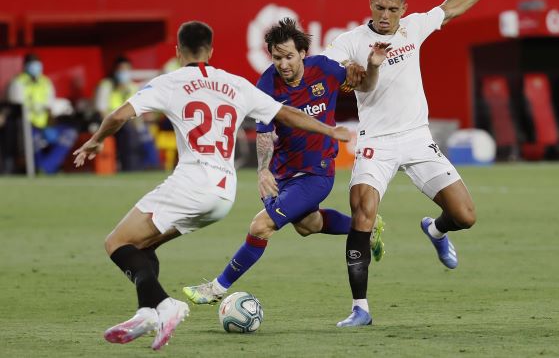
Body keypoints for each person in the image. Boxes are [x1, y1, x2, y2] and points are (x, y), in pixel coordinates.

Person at [72, 20, 351, 350]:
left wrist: (94, 141)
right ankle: (147, 311)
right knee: (143, 246)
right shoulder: (235, 83)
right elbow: (286, 113)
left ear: (178, 52)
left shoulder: (170, 82)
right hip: (223, 194)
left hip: (190, 184)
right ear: (212, 50)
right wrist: (329, 130)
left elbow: (119, 116)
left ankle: (165, 305)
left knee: (116, 243)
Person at [322, 0, 512, 327]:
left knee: (466, 216)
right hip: (376, 141)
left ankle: (436, 229)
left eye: (393, 9)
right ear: (371, 4)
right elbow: (347, 75)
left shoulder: (414, 27)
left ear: (403, 10)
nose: (386, 15)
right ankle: (360, 308)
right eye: (380, 6)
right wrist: (349, 69)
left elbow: (453, 6)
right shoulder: (350, 41)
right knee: (363, 214)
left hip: (416, 137)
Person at [182, 18, 391, 305]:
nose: (283, 64)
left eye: (289, 56)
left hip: (317, 173)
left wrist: (374, 66)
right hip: (284, 171)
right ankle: (366, 228)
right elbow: (264, 133)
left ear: (303, 53)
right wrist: (263, 170)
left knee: (260, 226)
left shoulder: (325, 69)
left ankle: (216, 288)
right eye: (277, 57)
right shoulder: (266, 83)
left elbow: (365, 85)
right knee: (309, 225)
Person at [7, 53, 77, 174]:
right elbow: (17, 106)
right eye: (32, 64)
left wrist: (50, 124)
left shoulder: (45, 82)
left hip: (45, 124)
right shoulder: (18, 82)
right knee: (35, 140)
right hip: (26, 125)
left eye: (37, 64)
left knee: (69, 133)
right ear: (25, 66)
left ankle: (45, 168)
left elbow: (50, 105)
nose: (36, 68)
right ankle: (43, 169)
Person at [94, 56, 159, 171]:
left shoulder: (132, 87)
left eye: (126, 69)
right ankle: (130, 167)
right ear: (115, 71)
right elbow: (101, 110)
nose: (124, 73)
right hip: (111, 122)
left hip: (130, 121)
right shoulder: (106, 85)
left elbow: (139, 108)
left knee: (145, 133)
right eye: (121, 70)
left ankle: (153, 165)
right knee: (129, 132)